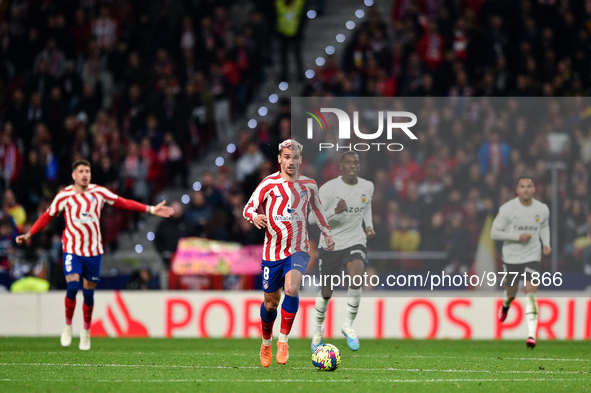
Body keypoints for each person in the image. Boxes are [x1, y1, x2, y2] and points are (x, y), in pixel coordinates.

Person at [16, 159, 174, 350]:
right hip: (72, 249)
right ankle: (67, 327)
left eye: (88, 171)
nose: (85, 174)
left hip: (93, 251)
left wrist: (150, 209)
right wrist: (29, 234)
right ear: (74, 175)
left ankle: (86, 331)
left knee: (89, 294)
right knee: (73, 287)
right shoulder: (64, 196)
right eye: (81, 171)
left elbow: (122, 203)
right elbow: (47, 216)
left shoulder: (98, 192)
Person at [243, 139, 334, 367]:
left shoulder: (309, 185)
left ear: (300, 160)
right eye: (287, 157)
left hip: (298, 250)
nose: (291, 162)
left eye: (295, 158)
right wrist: (255, 217)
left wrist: (328, 234)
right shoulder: (268, 183)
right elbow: (248, 208)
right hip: (273, 252)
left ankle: (283, 341)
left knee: (292, 288)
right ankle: (266, 342)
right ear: (279, 159)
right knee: (270, 304)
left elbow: (319, 211)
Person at [309, 151, 374, 352]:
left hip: (356, 241)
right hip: (331, 244)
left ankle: (348, 325)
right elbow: (312, 219)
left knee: (356, 278)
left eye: (356, 162)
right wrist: (334, 212)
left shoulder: (368, 186)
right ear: (341, 166)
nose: (353, 165)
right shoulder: (329, 189)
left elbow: (366, 206)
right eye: (349, 162)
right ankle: (318, 330)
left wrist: (369, 225)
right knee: (326, 292)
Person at [490, 175, 551, 349]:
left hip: (532, 256)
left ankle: (531, 335)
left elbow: (544, 226)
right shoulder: (508, 209)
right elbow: (494, 233)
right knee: (512, 293)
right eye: (522, 186)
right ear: (517, 190)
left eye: (529, 186)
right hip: (512, 257)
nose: (526, 189)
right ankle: (506, 305)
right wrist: (517, 237)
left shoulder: (542, 209)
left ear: (534, 189)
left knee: (530, 292)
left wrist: (546, 243)